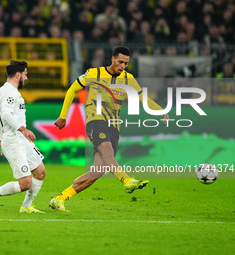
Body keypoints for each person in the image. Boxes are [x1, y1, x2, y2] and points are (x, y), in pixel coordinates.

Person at [50, 46, 169, 212]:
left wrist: (161, 111)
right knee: (107, 150)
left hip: (114, 126)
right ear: (112, 59)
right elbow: (72, 90)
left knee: (97, 171)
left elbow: (142, 98)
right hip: (96, 121)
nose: (122, 66)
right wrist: (63, 116)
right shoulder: (94, 73)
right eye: (120, 62)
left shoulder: (129, 79)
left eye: (126, 63)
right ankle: (127, 180)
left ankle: (59, 198)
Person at [0, 60, 46, 213]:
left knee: (40, 172)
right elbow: (4, 114)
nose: (26, 78)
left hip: (21, 140)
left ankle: (26, 207)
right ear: (18, 74)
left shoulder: (10, 91)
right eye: (25, 74)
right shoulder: (8, 91)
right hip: (15, 140)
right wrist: (23, 129)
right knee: (25, 183)